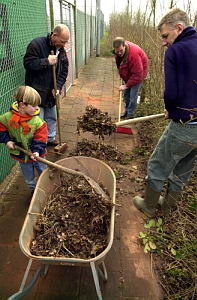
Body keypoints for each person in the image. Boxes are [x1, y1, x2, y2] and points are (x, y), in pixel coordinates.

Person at [133, 8, 197, 217]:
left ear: (179, 28)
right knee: (184, 167)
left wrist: (171, 109)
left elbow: (172, 92)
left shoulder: (176, 51)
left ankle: (149, 206)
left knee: (158, 164)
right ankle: (169, 207)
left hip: (185, 125)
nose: (164, 42)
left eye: (165, 36)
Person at [24, 24, 70, 146]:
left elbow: (64, 71)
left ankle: (50, 138)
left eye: (65, 42)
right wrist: (46, 61)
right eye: (62, 41)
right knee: (38, 120)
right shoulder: (37, 44)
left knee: (51, 117)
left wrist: (58, 87)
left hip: (51, 93)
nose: (64, 45)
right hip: (37, 93)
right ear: (54, 35)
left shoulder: (61, 51)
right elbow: (28, 63)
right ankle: (38, 144)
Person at [0, 86, 48, 196]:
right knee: (29, 178)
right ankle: (33, 192)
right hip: (21, 155)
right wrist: (7, 141)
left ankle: (46, 190)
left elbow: (41, 138)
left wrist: (36, 151)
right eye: (34, 105)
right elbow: (1, 129)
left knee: (43, 172)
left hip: (37, 155)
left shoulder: (38, 122)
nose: (37, 108)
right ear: (22, 105)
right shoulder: (7, 118)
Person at [113, 37, 149, 119]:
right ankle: (126, 111)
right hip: (130, 73)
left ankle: (130, 115)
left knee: (133, 96)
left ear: (124, 46)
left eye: (121, 51)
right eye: (117, 51)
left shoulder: (133, 55)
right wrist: (122, 74)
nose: (119, 53)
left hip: (139, 74)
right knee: (126, 95)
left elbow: (138, 75)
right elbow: (120, 64)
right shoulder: (118, 51)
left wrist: (126, 85)